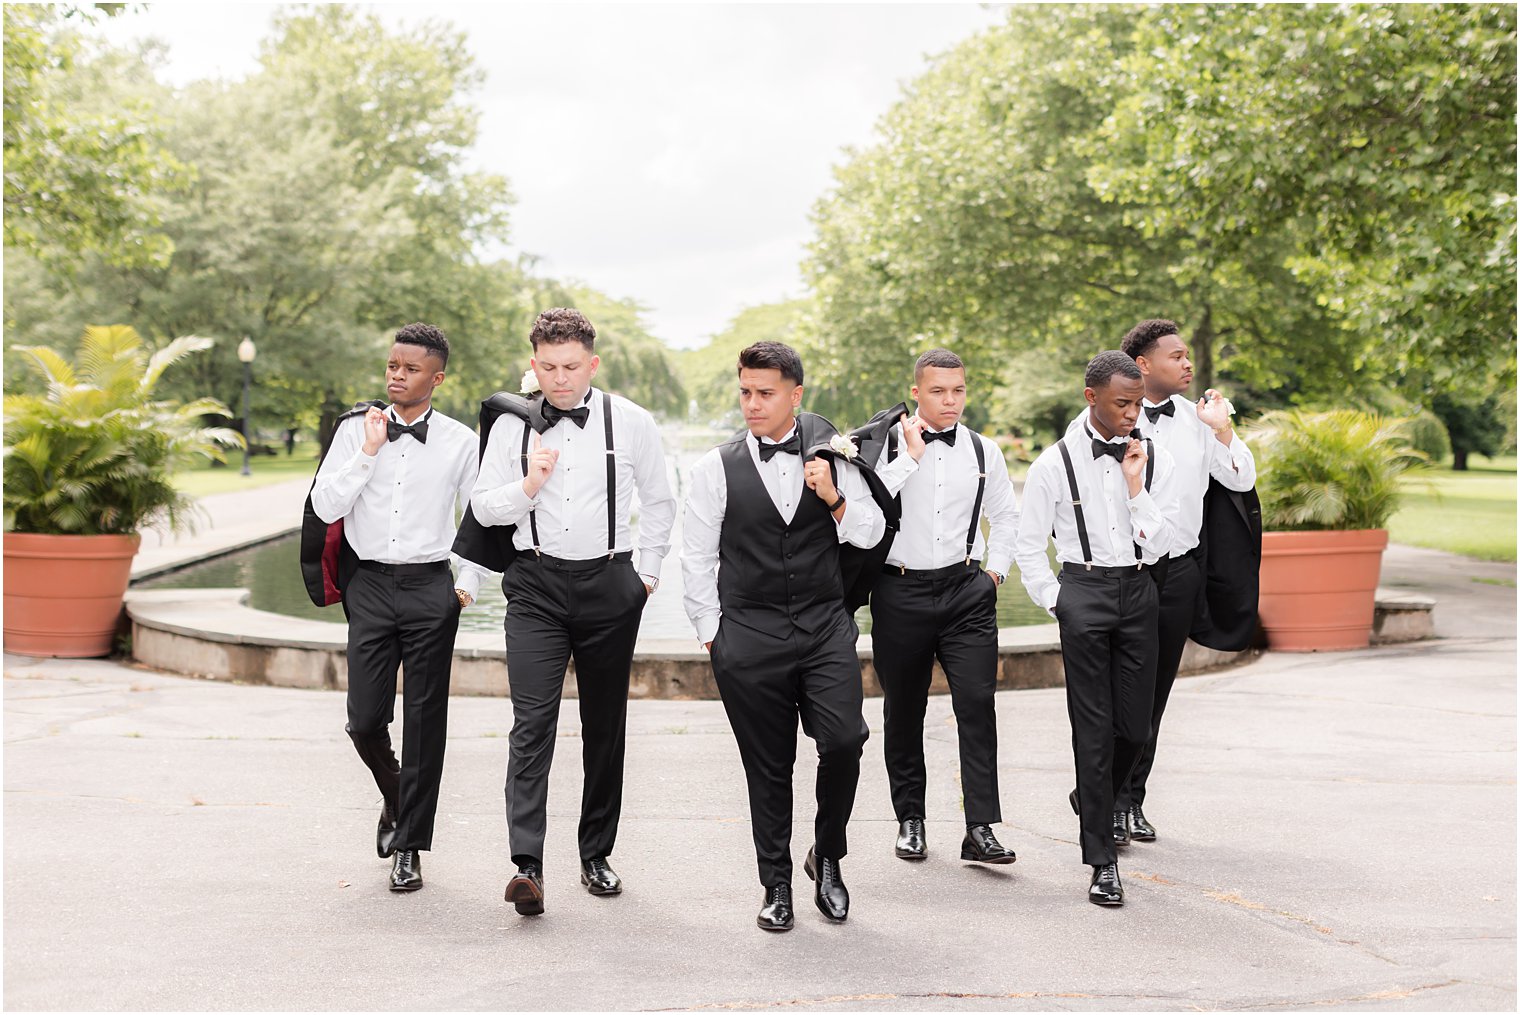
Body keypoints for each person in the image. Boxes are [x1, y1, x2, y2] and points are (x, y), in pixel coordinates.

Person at [470, 307, 675, 917]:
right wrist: (528, 486)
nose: (560, 379)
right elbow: (484, 510)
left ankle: (595, 854)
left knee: (604, 726)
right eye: (549, 367)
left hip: (611, 583)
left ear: (593, 363)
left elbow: (661, 501)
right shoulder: (513, 426)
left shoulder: (633, 422)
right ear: (533, 364)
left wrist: (646, 575)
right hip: (534, 585)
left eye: (571, 366)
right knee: (531, 724)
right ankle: (526, 865)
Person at [682, 341, 886, 932]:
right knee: (768, 766)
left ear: (795, 396)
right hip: (747, 634)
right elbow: (695, 557)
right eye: (745, 392)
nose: (752, 404)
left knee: (845, 740)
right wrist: (713, 634)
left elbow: (870, 535)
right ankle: (775, 883)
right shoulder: (713, 469)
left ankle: (827, 858)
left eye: (765, 394)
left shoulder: (833, 457)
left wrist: (834, 495)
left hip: (824, 628)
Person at [309, 322, 488, 892]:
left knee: (424, 720)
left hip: (430, 589)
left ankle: (409, 845)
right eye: (392, 366)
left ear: (437, 378)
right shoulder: (353, 431)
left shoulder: (461, 441)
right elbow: (325, 502)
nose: (396, 376)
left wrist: (467, 584)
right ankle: (395, 794)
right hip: (369, 587)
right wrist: (367, 450)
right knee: (364, 721)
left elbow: (479, 516)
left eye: (410, 369)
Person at [1013, 350, 1176, 906]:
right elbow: (1029, 548)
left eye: (1137, 403)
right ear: (1092, 398)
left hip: (1137, 590)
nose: (1134, 414)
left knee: (1134, 728)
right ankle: (1101, 860)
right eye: (1122, 404)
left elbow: (1162, 543)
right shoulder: (1052, 465)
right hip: (1082, 591)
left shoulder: (1148, 453)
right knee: (1092, 727)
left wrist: (1135, 486)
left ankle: (1092, 795)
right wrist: (1059, 601)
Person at [869, 348, 1020, 865]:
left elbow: (1006, 517)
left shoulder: (984, 452)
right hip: (899, 591)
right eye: (937, 391)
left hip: (966, 594)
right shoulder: (884, 443)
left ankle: (980, 827)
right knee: (904, 709)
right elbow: (863, 511)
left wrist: (994, 573)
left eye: (957, 390)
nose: (950, 400)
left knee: (977, 706)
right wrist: (908, 458)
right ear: (917, 392)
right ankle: (910, 819)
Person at [1116, 319, 1256, 844]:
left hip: (1179, 571)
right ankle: (1103, 793)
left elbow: (1240, 479)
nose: (1187, 363)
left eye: (1187, 356)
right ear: (1144, 365)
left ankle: (1131, 800)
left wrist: (1222, 428)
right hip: (1125, 572)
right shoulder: (1110, 417)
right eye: (1175, 356)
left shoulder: (1199, 421)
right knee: (1119, 691)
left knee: (1155, 692)